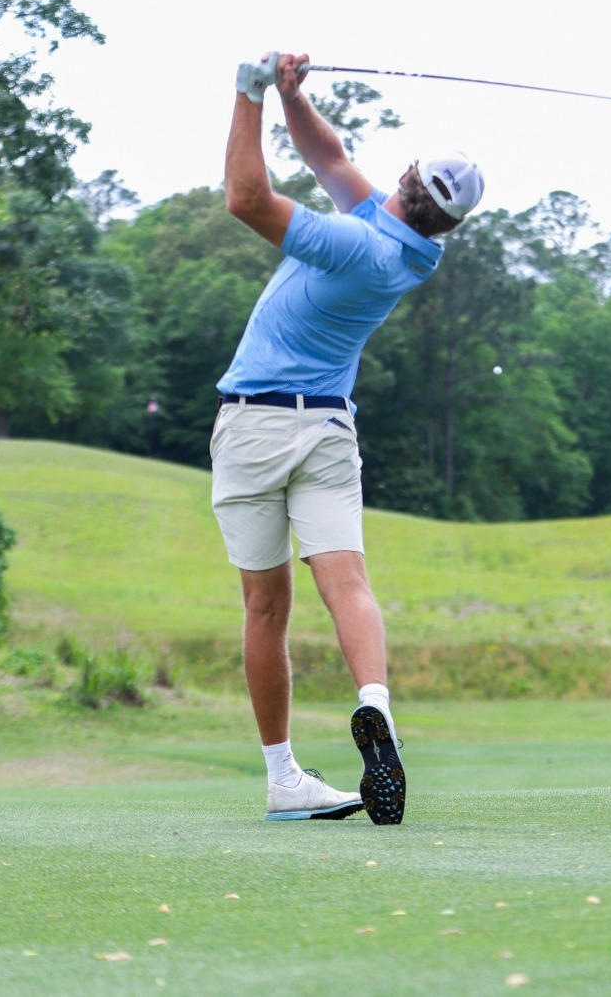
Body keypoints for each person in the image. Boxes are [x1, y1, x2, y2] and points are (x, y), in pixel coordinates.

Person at [214, 51, 483, 824]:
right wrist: (295, 96)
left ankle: (281, 776)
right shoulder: (412, 251)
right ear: (453, 221)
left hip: (255, 425)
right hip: (329, 427)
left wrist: (248, 92)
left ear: (403, 174)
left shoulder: (353, 242)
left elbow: (245, 197)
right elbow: (327, 155)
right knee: (349, 582)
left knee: (266, 608)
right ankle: (376, 705)